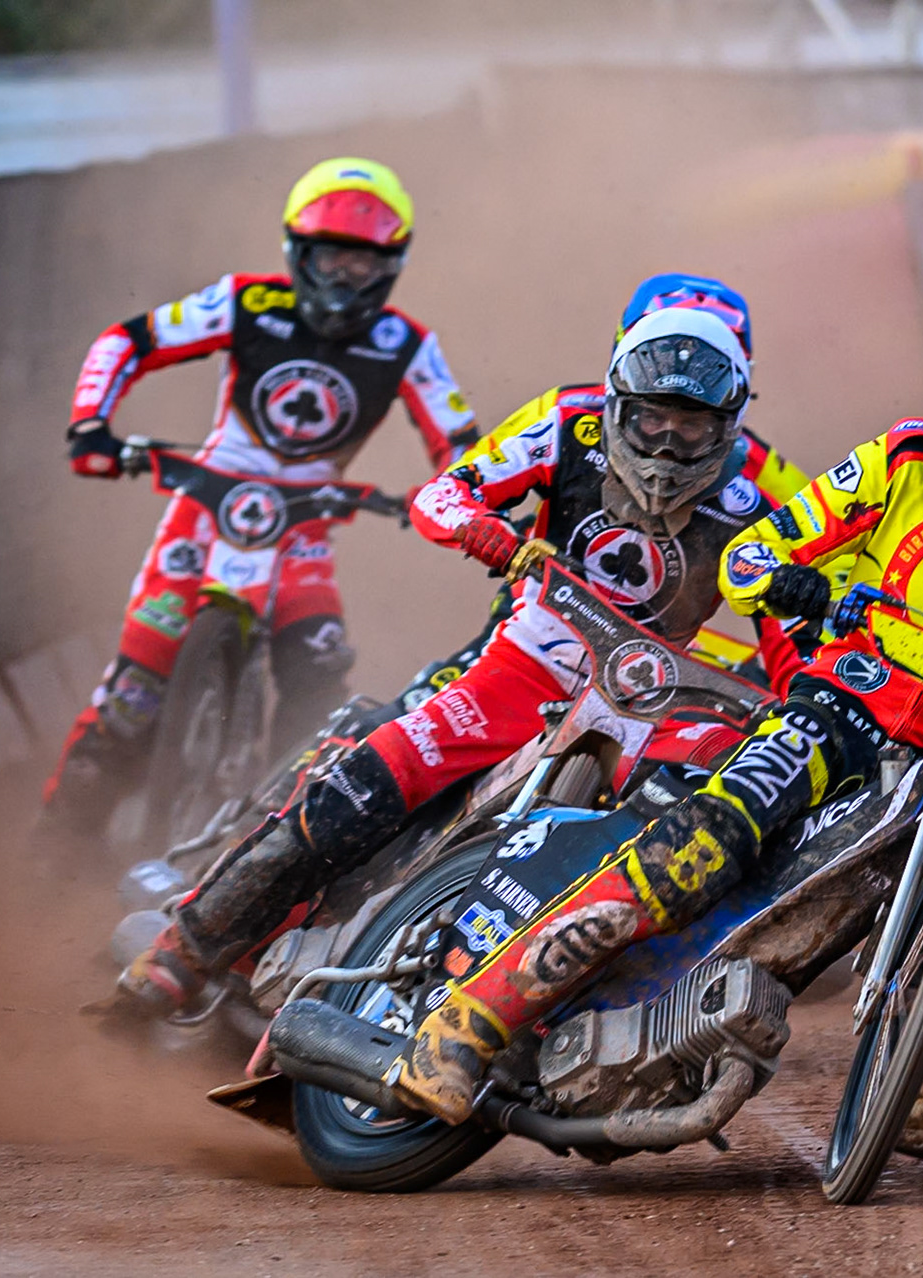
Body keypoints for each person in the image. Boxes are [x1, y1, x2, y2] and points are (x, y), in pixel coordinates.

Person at [390, 302, 923, 1160]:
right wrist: (795, 585)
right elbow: (756, 551)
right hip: (849, 702)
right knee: (710, 843)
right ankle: (474, 1015)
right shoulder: (900, 461)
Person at [112, 305, 819, 1017]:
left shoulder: (758, 500)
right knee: (368, 779)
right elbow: (444, 493)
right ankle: (184, 948)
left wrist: (798, 705)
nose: (667, 446)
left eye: (690, 426)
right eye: (650, 422)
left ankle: (564, 1010)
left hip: (648, 701)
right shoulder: (566, 424)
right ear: (616, 405)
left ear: (726, 425)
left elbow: (788, 641)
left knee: (675, 837)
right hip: (525, 662)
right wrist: (485, 532)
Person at [40, 157, 477, 837]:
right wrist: (91, 425)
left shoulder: (408, 345)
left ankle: (276, 846)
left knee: (317, 687)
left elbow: (460, 441)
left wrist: (452, 498)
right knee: (129, 698)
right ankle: (54, 853)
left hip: (303, 532)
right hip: (204, 511)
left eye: (361, 263)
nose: (342, 276)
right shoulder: (245, 302)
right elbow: (127, 340)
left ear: (391, 265)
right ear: (297, 252)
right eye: (330, 256)